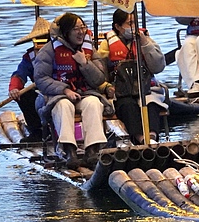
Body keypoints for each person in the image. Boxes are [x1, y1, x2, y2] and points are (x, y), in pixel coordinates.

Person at [33, 13, 109, 169]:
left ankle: (92, 150)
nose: (81, 32)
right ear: (66, 32)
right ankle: (69, 151)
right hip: (56, 96)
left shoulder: (88, 50)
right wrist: (65, 90)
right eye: (76, 29)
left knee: (93, 103)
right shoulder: (49, 51)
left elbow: (99, 79)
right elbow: (41, 79)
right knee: (63, 106)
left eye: (83, 27)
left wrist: (85, 63)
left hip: (84, 93)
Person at [98, 9, 166, 145]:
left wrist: (145, 44)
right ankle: (141, 140)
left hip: (147, 88)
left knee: (151, 103)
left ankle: (152, 138)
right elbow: (100, 73)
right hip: (121, 91)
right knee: (127, 105)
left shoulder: (145, 39)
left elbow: (158, 67)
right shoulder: (106, 45)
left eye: (136, 23)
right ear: (118, 26)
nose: (134, 27)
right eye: (130, 24)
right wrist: (106, 87)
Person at [10, 16, 52, 142]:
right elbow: (19, 74)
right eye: (38, 40)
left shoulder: (61, 51)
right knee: (24, 95)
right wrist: (14, 89)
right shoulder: (30, 57)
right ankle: (37, 131)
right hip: (40, 93)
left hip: (60, 89)